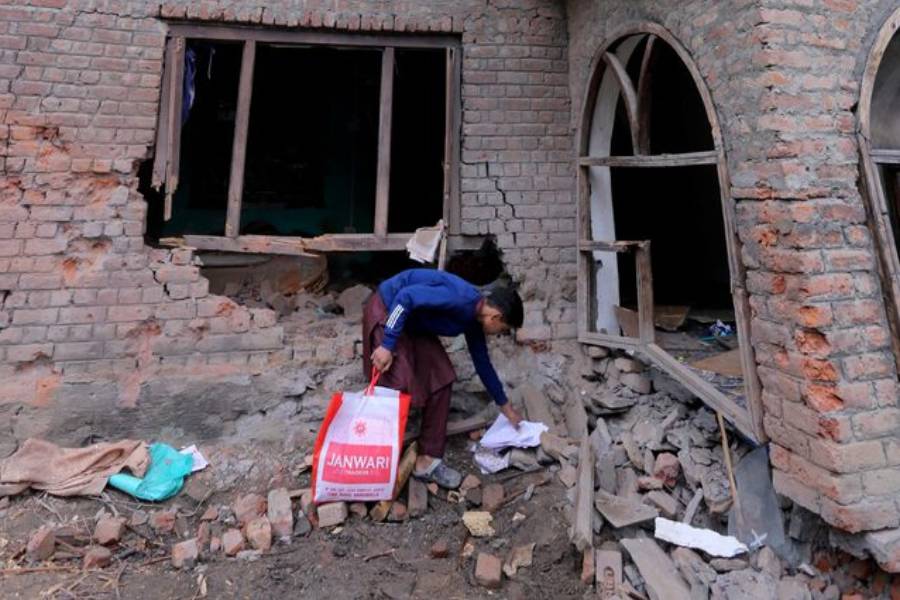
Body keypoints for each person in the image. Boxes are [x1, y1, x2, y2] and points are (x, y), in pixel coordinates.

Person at [362, 268, 524, 490]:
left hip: (413, 322)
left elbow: (482, 364)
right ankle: (371, 464)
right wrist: (388, 344)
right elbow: (405, 298)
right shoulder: (460, 299)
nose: (497, 334)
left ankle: (427, 461)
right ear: (496, 317)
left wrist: (505, 407)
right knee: (395, 384)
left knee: (441, 376)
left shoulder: (474, 320)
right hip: (389, 310)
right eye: (502, 330)